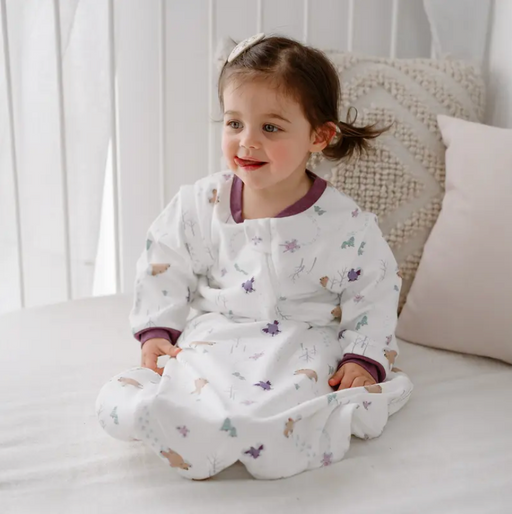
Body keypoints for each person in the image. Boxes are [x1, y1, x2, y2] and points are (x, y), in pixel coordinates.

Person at [96, 33, 413, 480]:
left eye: (270, 128)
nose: (246, 142)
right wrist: (157, 331)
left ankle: (254, 433)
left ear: (319, 136)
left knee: (290, 400)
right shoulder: (201, 203)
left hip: (303, 341)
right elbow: (163, 263)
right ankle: (179, 418)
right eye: (234, 123)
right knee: (181, 385)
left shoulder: (347, 226)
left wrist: (362, 357)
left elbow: (374, 293)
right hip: (219, 335)